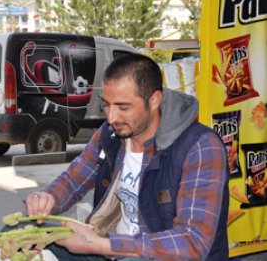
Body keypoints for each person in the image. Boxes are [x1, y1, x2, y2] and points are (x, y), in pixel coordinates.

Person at [24, 55, 229, 260]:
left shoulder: (200, 147)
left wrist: (101, 245)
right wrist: (49, 198)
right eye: (106, 105)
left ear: (154, 100)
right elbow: (73, 179)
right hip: (110, 248)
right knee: (22, 231)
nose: (112, 117)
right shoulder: (111, 134)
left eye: (123, 107)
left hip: (155, 255)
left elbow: (192, 243)